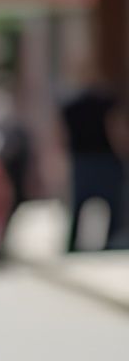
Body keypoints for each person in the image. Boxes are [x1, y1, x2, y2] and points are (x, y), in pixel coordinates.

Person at [59, 66, 128, 251]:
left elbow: (61, 135)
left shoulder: (70, 105)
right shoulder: (107, 103)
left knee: (78, 206)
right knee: (112, 205)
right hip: (105, 159)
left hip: (81, 160)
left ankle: (72, 245)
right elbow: (114, 130)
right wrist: (122, 153)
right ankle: (110, 242)